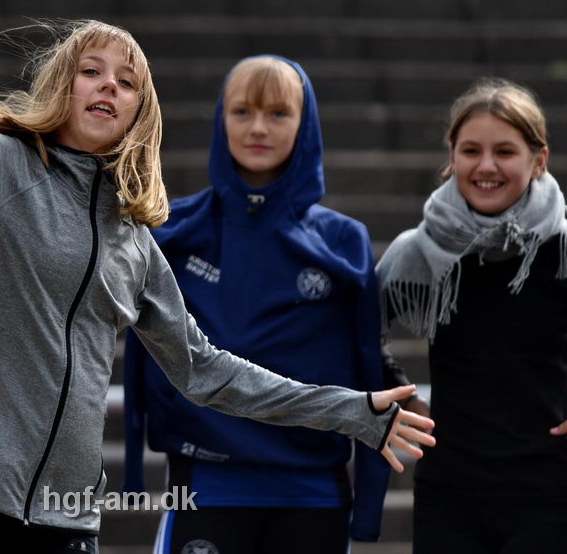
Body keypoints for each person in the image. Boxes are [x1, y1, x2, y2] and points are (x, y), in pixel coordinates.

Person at [0, 0, 435, 554]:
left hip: (66, 514)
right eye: (91, 71)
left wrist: (350, 412)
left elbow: (205, 371)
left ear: (137, 116)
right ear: (62, 87)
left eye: (127, 82)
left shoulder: (134, 239)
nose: (107, 86)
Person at [122, 55, 394, 554]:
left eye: (278, 113)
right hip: (204, 484)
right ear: (220, 120)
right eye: (242, 111)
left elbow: (369, 368)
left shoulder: (344, 243)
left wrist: (371, 501)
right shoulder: (170, 230)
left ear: (305, 123)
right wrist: (133, 479)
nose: (258, 128)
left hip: (313, 490)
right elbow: (139, 360)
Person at [376, 78, 567, 554]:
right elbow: (354, 333)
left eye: (505, 151)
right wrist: (397, 391)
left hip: (547, 499)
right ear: (452, 155)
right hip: (447, 499)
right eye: (471, 150)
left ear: (539, 160)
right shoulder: (416, 252)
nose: (486, 166)